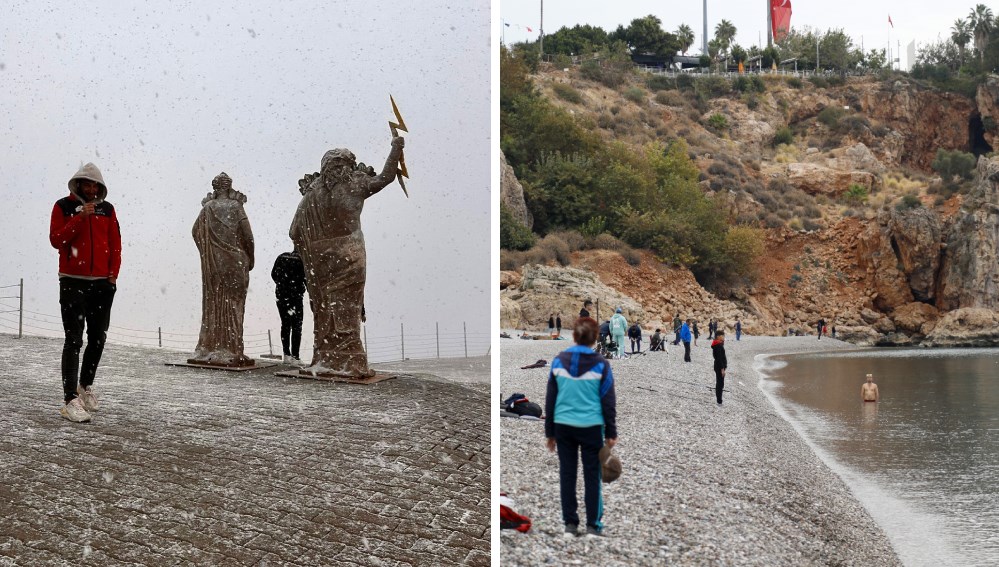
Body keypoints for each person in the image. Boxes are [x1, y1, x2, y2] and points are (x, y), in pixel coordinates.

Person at [290, 137, 404, 377]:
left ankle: (327, 358)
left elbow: (294, 231)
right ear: (346, 167)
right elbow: (385, 178)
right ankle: (348, 360)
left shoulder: (311, 195)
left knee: (325, 309)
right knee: (348, 308)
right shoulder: (354, 184)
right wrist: (396, 149)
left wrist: (312, 251)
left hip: (320, 261)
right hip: (349, 255)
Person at [49, 163, 121, 423]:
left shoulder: (108, 209)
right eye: (86, 184)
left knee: (98, 338)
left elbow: (115, 244)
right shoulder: (63, 206)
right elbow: (57, 240)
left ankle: (84, 386)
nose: (91, 189)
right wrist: (81, 217)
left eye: (95, 185)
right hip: (72, 282)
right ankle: (70, 400)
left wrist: (113, 276)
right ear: (77, 184)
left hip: (102, 284)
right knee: (74, 339)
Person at [544, 317, 617, 537]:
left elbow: (551, 399)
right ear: (595, 338)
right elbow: (608, 401)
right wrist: (611, 432)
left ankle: (570, 524)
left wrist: (550, 432)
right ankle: (593, 526)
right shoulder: (602, 365)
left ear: (574, 335)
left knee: (567, 474)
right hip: (591, 427)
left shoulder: (558, 361)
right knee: (592, 475)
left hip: (564, 426)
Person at [190, 173, 255, 367]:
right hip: (235, 262)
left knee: (215, 305)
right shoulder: (236, 207)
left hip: (214, 264)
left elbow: (195, 231)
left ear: (215, 187)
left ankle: (212, 346)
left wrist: (209, 249)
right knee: (233, 306)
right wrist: (249, 257)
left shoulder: (208, 209)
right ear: (229, 187)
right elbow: (248, 236)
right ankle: (231, 348)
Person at [271, 248, 307, 365]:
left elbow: (273, 274)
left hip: (282, 296)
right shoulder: (303, 260)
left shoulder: (281, 257)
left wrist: (282, 285)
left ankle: (286, 354)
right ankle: (295, 356)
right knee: (297, 326)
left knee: (286, 324)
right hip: (295, 297)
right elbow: (307, 280)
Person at [711, 330, 728, 405]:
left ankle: (719, 399)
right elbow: (719, 358)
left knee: (720, 383)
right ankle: (719, 400)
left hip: (719, 366)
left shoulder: (719, 344)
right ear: (718, 336)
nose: (724, 337)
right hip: (719, 367)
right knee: (720, 383)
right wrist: (722, 369)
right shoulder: (718, 346)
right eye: (722, 336)